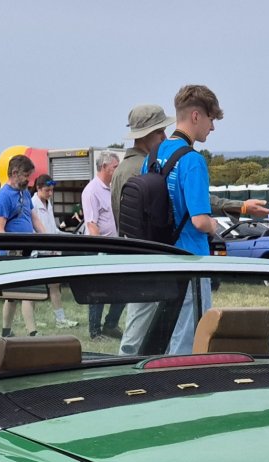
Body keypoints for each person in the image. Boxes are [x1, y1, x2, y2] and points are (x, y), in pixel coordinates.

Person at [150, 84, 269, 351]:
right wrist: (215, 225)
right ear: (195, 116)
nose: (212, 128)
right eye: (211, 119)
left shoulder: (155, 154)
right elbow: (200, 220)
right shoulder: (192, 160)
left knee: (165, 335)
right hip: (191, 258)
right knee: (189, 335)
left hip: (161, 255)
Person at [113, 103, 174, 355]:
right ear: (149, 135)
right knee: (136, 333)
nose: (165, 137)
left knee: (140, 324)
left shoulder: (122, 168)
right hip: (146, 257)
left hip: (133, 255)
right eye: (160, 132)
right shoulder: (142, 168)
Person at [0, 154, 38, 338]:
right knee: (27, 292)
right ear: (14, 173)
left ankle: (6, 331)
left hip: (26, 249)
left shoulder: (25, 193)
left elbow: (34, 218)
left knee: (12, 296)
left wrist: (49, 240)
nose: (29, 179)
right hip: (12, 253)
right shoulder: (3, 197)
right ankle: (33, 333)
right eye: (26, 175)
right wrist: (11, 252)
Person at [80, 154, 123, 339]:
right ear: (104, 167)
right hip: (100, 248)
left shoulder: (111, 188)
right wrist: (101, 248)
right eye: (115, 166)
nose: (117, 169)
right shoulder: (92, 191)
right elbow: (92, 224)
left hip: (115, 247)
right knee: (99, 291)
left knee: (122, 289)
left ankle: (111, 324)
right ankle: (95, 331)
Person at [31, 173, 79, 329]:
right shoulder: (33, 204)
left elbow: (53, 229)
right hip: (39, 253)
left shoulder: (48, 204)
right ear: (38, 188)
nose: (50, 194)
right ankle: (32, 321)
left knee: (55, 286)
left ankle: (60, 319)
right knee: (33, 289)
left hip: (52, 252)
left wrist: (71, 236)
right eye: (47, 190)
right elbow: (37, 230)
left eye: (52, 190)